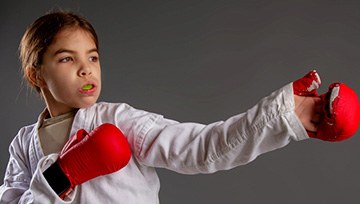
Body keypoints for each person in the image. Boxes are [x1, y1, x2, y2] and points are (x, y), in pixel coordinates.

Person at [0, 11, 357, 204]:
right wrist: (61, 176)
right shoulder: (22, 145)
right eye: (66, 59)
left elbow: (200, 149)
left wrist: (283, 116)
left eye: (92, 57)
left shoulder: (117, 120)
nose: (86, 68)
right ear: (37, 75)